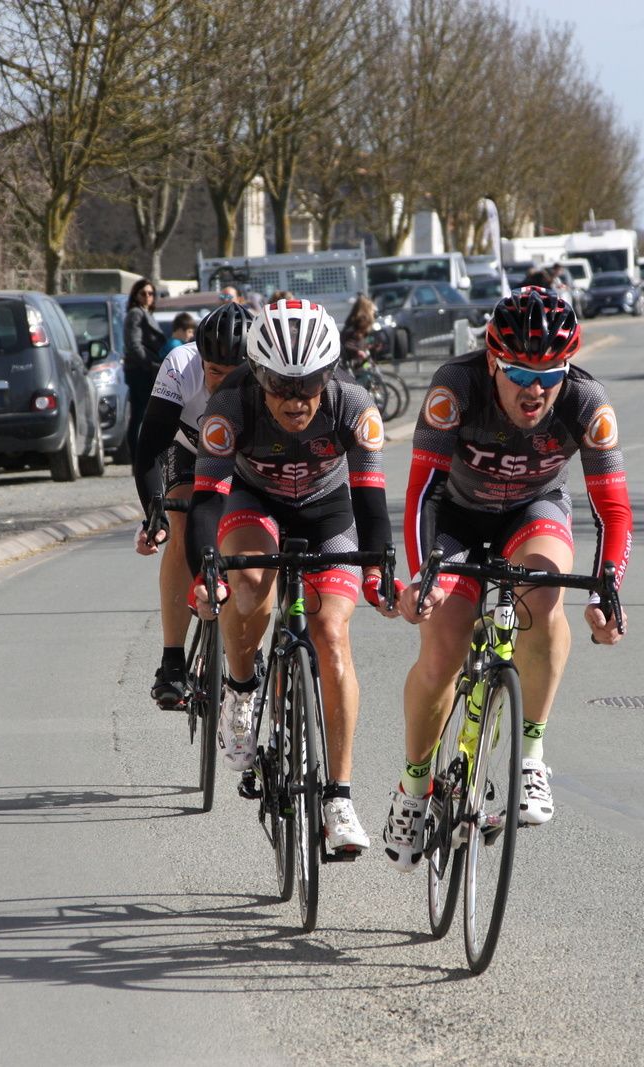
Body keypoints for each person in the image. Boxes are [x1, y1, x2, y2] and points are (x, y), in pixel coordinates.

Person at [381, 287, 631, 872]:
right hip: (456, 514)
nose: (535, 388)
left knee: (545, 596)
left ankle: (530, 757)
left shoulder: (587, 404)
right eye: (519, 371)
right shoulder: (456, 388)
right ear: (494, 360)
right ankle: (414, 788)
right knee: (443, 647)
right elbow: (419, 491)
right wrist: (424, 576)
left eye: (550, 372)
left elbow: (613, 510)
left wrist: (608, 589)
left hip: (533, 510)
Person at [186, 298, 398, 853]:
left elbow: (373, 504)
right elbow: (206, 503)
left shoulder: (354, 405)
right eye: (280, 385)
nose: (296, 400)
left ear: (330, 374)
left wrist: (377, 568)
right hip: (254, 503)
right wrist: (205, 575)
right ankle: (240, 689)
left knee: (331, 634)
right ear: (258, 374)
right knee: (251, 584)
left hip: (330, 511)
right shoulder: (229, 406)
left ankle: (340, 798)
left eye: (308, 385)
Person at [133, 302, 256, 708]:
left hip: (244, 454)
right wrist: (154, 514)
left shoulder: (266, 376)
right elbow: (149, 447)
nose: (221, 384)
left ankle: (247, 635)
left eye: (233, 374)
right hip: (188, 448)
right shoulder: (180, 365)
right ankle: (172, 660)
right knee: (182, 524)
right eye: (214, 372)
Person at [124, 278, 167, 452]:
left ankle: (142, 453)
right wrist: (149, 365)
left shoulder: (146, 313)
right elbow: (134, 345)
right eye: (144, 293)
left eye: (151, 293)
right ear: (136, 295)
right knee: (139, 415)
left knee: (143, 414)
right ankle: (136, 456)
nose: (148, 296)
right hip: (140, 371)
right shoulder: (136, 313)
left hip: (146, 369)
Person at [340, 295, 378, 373]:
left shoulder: (356, 325)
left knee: (371, 368)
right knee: (368, 372)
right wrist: (358, 351)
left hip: (360, 362)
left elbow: (360, 342)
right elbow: (346, 344)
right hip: (351, 363)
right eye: (371, 309)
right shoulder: (353, 326)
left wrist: (371, 346)